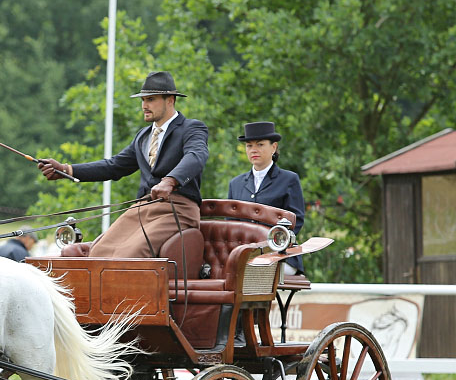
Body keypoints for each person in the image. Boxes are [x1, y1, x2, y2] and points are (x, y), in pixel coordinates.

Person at [38, 71, 209, 258]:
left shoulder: (191, 128)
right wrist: (66, 170)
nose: (144, 106)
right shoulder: (143, 136)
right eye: (143, 100)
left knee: (130, 254)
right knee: (99, 251)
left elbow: (196, 156)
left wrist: (170, 181)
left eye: (150, 99)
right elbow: (114, 166)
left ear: (170, 100)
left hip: (177, 209)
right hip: (142, 208)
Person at [227, 121, 306, 274]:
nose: (254, 150)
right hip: (244, 254)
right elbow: (230, 224)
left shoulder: (289, 179)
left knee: (252, 272)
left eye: (260, 145)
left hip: (281, 255)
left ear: (274, 147)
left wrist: (272, 245)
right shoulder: (235, 184)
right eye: (249, 146)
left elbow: (297, 221)